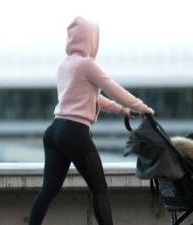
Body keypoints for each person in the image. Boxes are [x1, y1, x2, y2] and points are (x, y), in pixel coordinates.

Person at [28, 16, 155, 225]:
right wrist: (143, 108)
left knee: (48, 191)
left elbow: (93, 96)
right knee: (99, 190)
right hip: (74, 132)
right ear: (91, 38)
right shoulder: (87, 65)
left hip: (54, 131)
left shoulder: (65, 65)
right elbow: (114, 89)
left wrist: (121, 110)